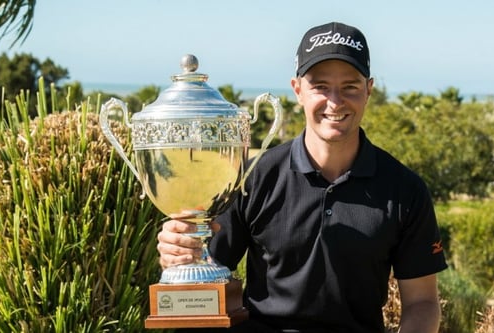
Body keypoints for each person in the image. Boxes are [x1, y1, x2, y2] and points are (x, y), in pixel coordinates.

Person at [157, 21, 448, 333]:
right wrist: (181, 253)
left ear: (369, 90)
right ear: (297, 90)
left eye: (350, 86)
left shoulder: (405, 190)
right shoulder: (253, 178)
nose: (335, 102)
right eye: (320, 86)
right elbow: (206, 273)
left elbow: (422, 303)